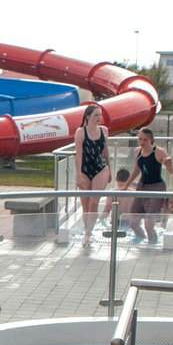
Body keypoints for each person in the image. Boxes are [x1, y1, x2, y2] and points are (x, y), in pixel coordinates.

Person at [73, 103, 111, 249]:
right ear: (87, 117)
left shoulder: (104, 131)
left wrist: (110, 171)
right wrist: (78, 175)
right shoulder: (80, 132)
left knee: (94, 202)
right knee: (86, 205)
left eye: (100, 115)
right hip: (85, 169)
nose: (99, 118)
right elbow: (79, 155)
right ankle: (87, 230)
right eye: (96, 115)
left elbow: (105, 152)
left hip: (100, 168)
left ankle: (88, 233)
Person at [129, 127, 173, 244]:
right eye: (140, 139)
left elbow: (172, 172)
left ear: (151, 140)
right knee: (133, 223)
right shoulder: (137, 151)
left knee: (149, 224)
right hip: (142, 186)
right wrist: (126, 185)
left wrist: (169, 164)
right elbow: (136, 170)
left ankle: (153, 243)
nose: (142, 142)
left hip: (157, 187)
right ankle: (142, 239)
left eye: (145, 140)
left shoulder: (159, 151)